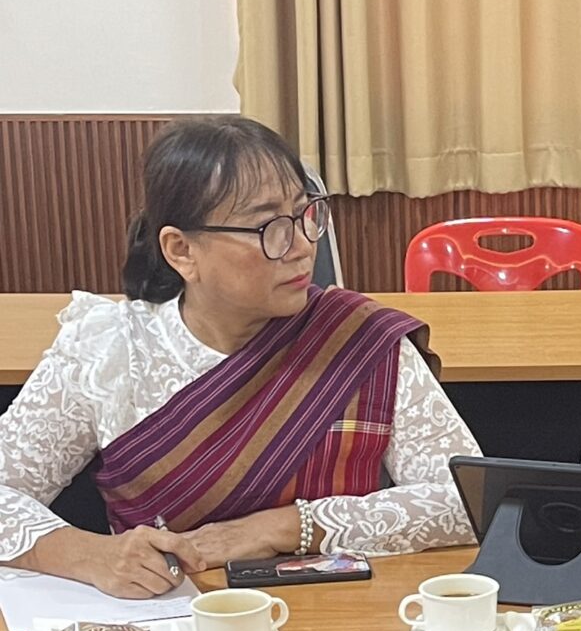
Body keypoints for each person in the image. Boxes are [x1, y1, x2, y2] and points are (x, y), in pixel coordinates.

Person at [0, 116, 481, 599]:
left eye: (305, 213)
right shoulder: (110, 350)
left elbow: (468, 499)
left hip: (337, 617)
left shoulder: (358, 338)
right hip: (168, 620)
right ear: (181, 250)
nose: (302, 247)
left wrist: (283, 527)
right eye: (268, 226)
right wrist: (91, 555)